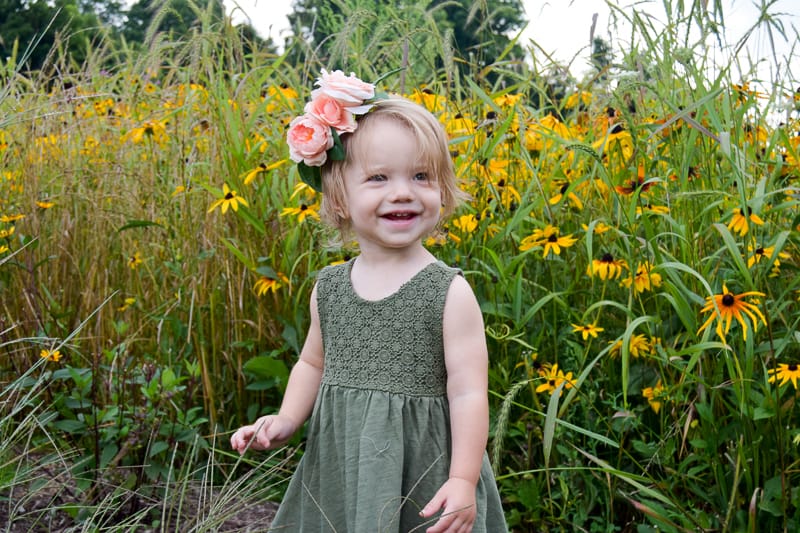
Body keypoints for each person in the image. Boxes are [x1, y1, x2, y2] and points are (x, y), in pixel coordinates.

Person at [231, 70, 507, 533]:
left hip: (425, 471)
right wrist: (287, 418)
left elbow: (467, 392)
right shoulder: (332, 287)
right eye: (378, 178)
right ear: (338, 197)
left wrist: (463, 478)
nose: (403, 191)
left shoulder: (447, 292)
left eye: (421, 176)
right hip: (345, 465)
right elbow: (312, 364)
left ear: (442, 189)